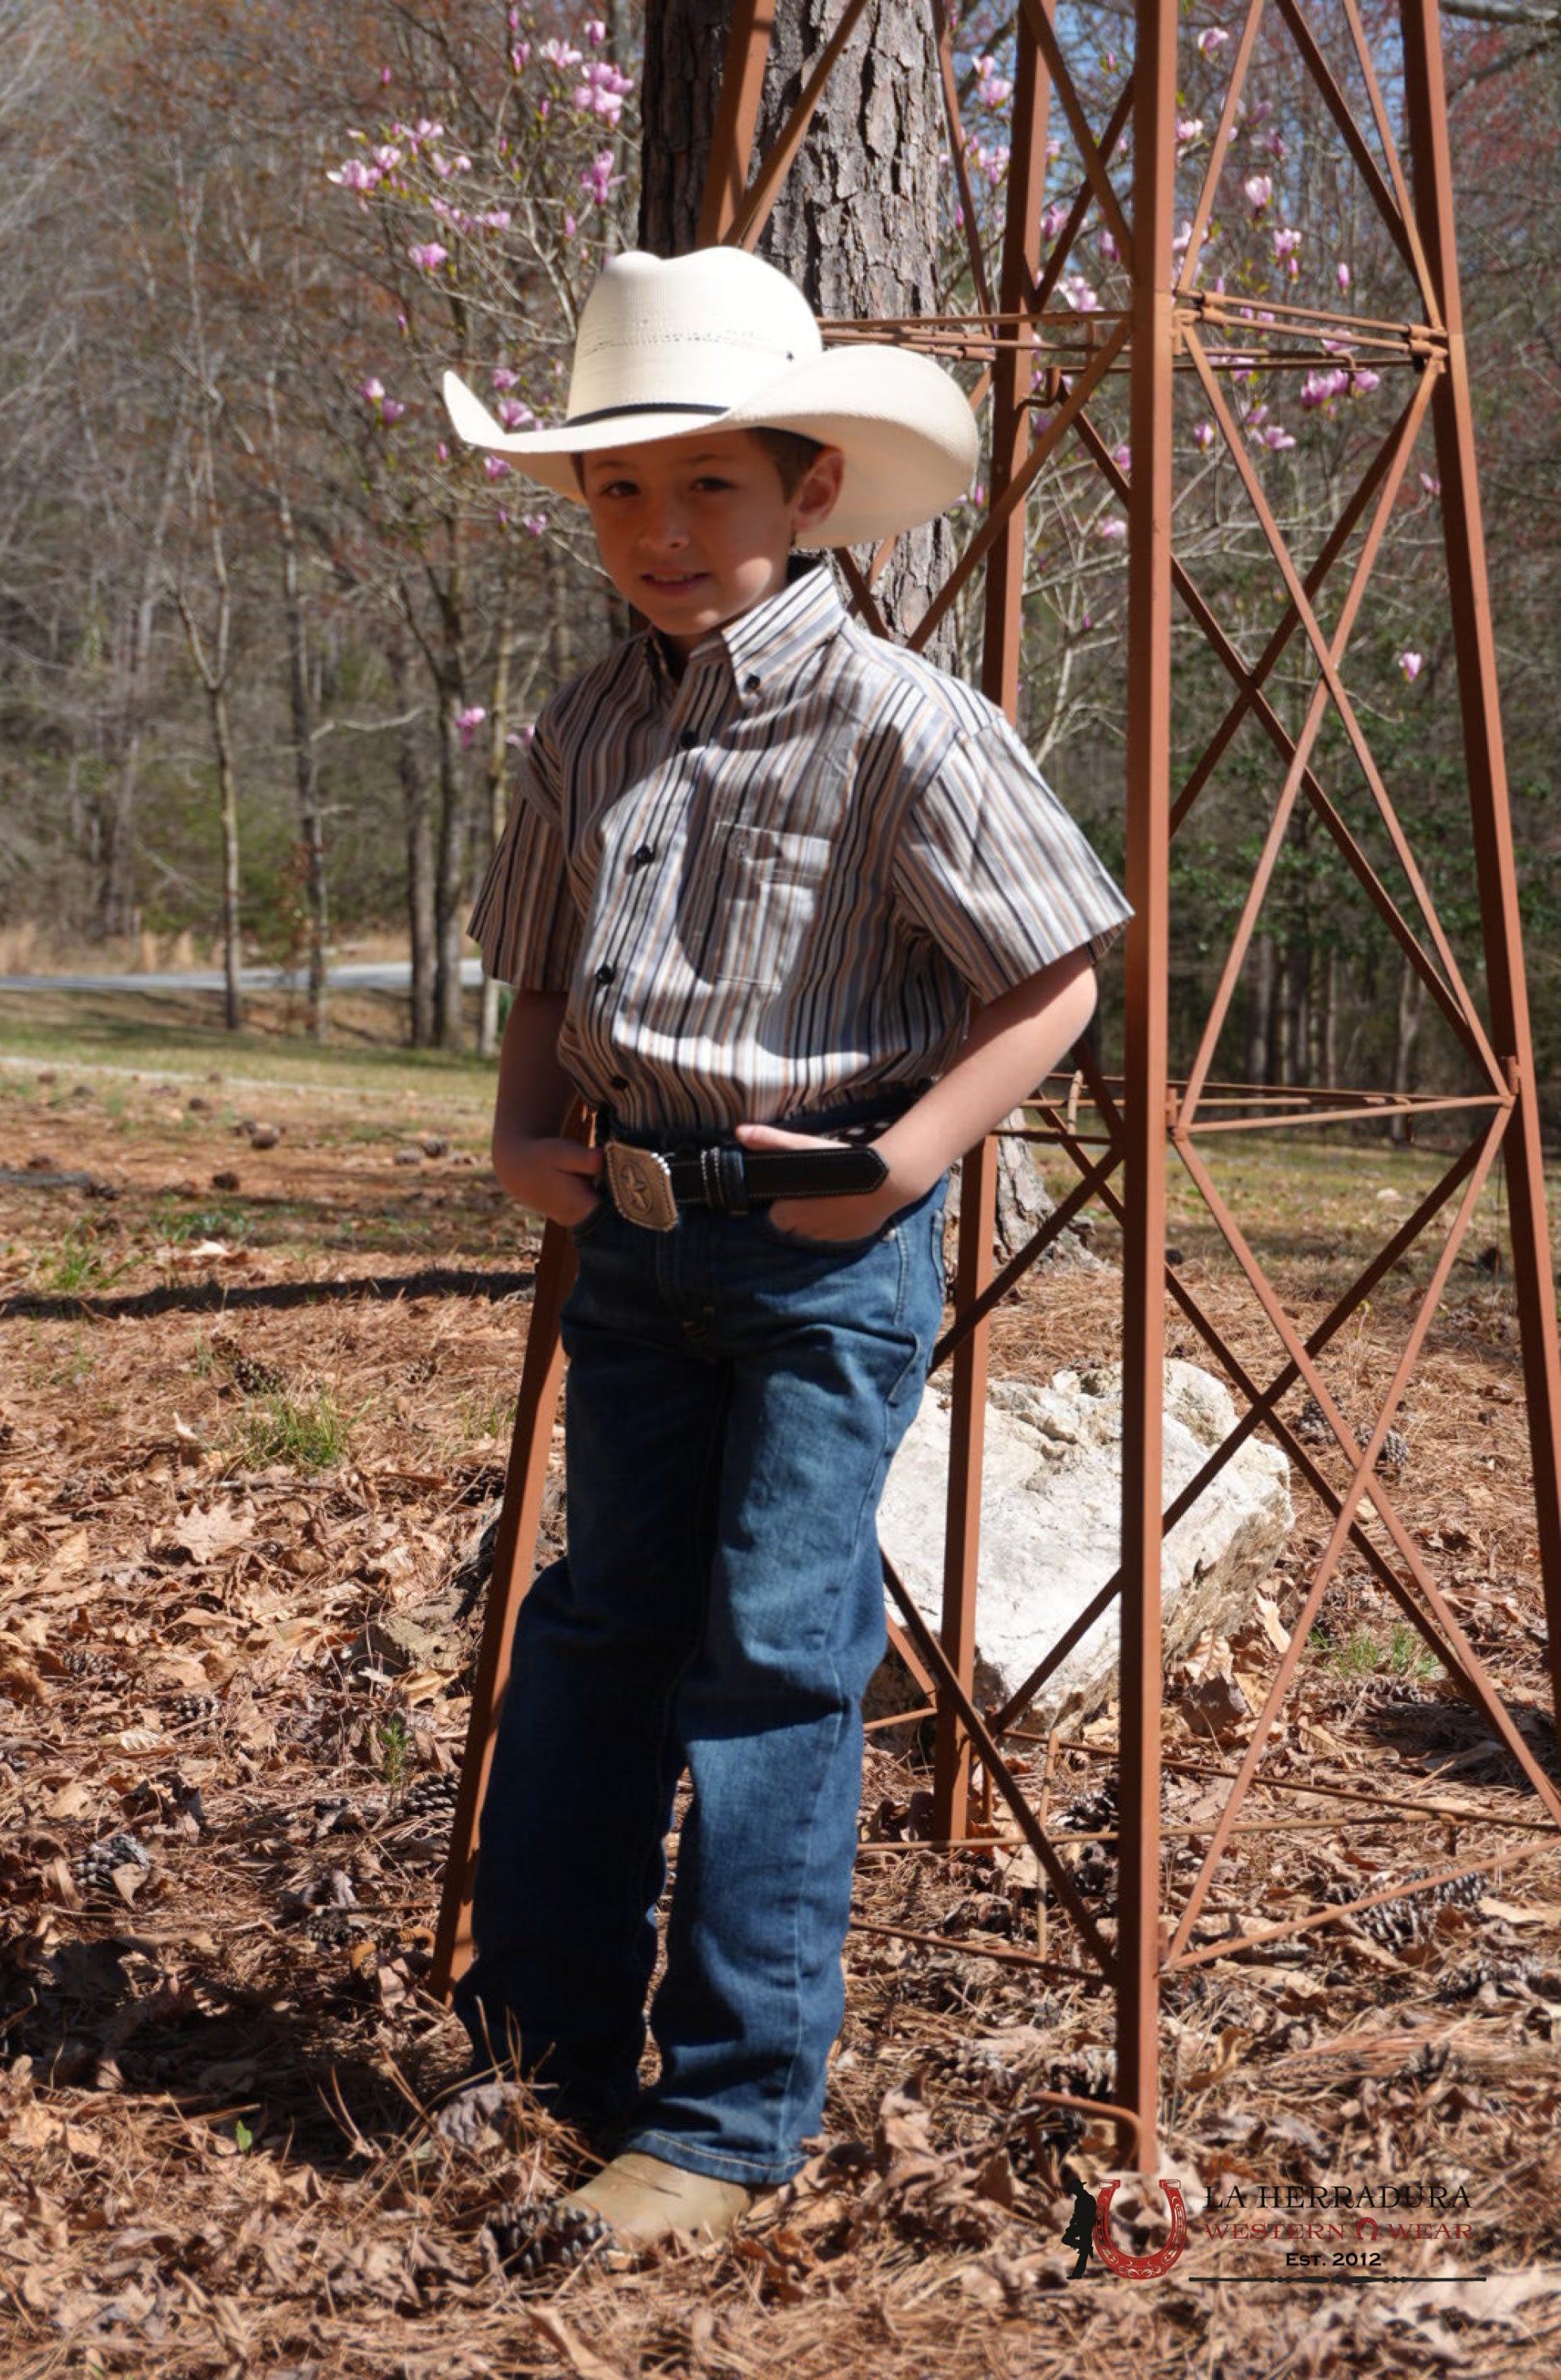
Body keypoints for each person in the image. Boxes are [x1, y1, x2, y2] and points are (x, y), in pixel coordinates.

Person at [441, 246, 1130, 2267]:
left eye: (708, 491)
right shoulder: (590, 719)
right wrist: (519, 1123)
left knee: (769, 1654)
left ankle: (726, 2120)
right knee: (590, 1629)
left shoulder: (899, 722)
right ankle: (536, 2041)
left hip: (820, 1247)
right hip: (635, 1246)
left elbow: (1058, 974)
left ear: (810, 490)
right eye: (620, 496)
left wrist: (900, 1161)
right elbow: (546, 961)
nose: (660, 535)